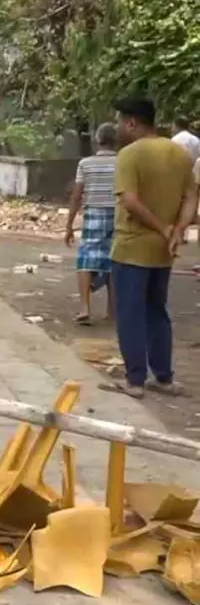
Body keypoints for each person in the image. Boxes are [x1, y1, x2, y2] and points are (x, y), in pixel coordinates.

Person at [100, 98, 197, 399]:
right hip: (163, 251)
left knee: (130, 313)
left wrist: (161, 226)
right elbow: (192, 197)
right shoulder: (179, 154)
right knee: (157, 311)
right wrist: (176, 230)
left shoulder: (129, 154)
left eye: (120, 122)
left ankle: (136, 380)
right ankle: (164, 377)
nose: (117, 128)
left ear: (132, 123)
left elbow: (129, 200)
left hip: (132, 247)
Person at [64, 122, 119, 326]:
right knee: (115, 260)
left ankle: (85, 307)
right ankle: (112, 310)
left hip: (94, 213)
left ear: (97, 141)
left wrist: (69, 225)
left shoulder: (85, 164)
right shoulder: (123, 162)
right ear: (116, 141)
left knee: (86, 260)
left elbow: (77, 196)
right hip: (118, 214)